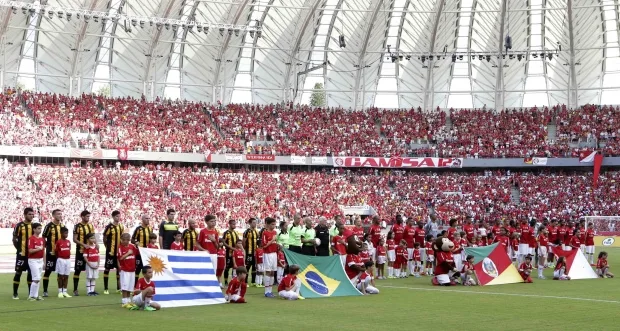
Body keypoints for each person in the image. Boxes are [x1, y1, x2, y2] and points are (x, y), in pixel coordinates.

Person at [13, 207, 35, 300]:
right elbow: (14, 239)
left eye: (32, 214)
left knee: (30, 274)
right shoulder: (19, 225)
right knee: (18, 273)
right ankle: (15, 293)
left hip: (31, 255)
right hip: (21, 254)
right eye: (30, 214)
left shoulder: (34, 225)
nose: (31, 216)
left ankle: (30, 294)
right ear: (25, 215)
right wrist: (19, 249)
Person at [42, 209, 63, 297]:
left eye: (61, 214)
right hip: (51, 253)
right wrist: (47, 246)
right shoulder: (49, 226)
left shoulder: (62, 226)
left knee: (60, 272)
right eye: (58, 214)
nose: (60, 215)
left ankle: (60, 291)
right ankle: (45, 291)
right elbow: (43, 237)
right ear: (53, 216)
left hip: (60, 253)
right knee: (48, 271)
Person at [73, 210, 95, 296]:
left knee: (91, 270)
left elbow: (93, 237)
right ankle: (75, 289)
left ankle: (91, 289)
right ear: (82, 216)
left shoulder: (90, 225)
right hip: (81, 251)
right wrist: (84, 245)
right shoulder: (77, 226)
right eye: (87, 216)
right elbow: (74, 239)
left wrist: (96, 245)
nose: (88, 218)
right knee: (77, 270)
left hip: (90, 252)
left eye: (89, 216)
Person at [103, 210, 124, 295]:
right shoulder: (109, 227)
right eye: (116, 216)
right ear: (113, 217)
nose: (118, 218)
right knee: (107, 269)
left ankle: (118, 288)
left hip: (118, 252)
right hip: (111, 252)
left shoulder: (121, 227)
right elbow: (105, 238)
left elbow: (122, 238)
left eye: (119, 216)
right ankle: (106, 288)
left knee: (118, 269)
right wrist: (107, 248)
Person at [131, 214, 152, 285]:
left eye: (149, 218)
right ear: (142, 220)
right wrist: (136, 242)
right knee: (137, 270)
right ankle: (135, 286)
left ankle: (146, 285)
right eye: (146, 218)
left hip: (147, 253)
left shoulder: (150, 228)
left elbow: (152, 239)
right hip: (139, 253)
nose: (148, 220)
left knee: (147, 270)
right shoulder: (138, 229)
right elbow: (132, 239)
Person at [118, 233, 137, 308]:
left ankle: (129, 301)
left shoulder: (132, 246)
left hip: (132, 269)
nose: (126, 241)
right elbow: (120, 258)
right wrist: (128, 253)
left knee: (130, 286)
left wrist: (137, 246)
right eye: (124, 240)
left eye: (127, 240)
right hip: (125, 270)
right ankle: (124, 302)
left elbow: (136, 253)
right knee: (125, 287)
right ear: (121, 240)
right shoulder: (120, 248)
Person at [261, 217, 278, 298]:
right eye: (272, 224)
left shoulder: (275, 232)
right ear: (267, 224)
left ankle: (270, 291)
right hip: (268, 254)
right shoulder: (265, 233)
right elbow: (264, 246)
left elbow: (275, 242)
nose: (274, 226)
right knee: (268, 271)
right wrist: (272, 240)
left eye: (274, 224)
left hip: (274, 254)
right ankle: (266, 291)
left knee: (272, 272)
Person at [27, 223, 45, 301]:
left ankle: (36, 295)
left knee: (38, 278)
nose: (40, 230)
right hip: (33, 260)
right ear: (34, 229)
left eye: (40, 228)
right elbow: (30, 251)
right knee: (36, 278)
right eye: (38, 228)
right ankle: (31, 296)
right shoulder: (31, 239)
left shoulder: (42, 239)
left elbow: (43, 251)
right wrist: (39, 249)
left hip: (40, 260)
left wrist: (44, 261)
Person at [55, 227, 72, 298]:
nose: (66, 234)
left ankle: (65, 291)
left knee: (66, 276)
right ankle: (60, 292)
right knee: (61, 276)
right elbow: (56, 251)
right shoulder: (58, 242)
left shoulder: (68, 241)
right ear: (61, 233)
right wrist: (59, 257)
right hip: (61, 259)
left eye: (67, 233)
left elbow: (69, 249)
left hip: (67, 260)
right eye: (65, 233)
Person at [222, 219, 239, 284]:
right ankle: (226, 282)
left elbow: (238, 241)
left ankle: (233, 281)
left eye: (235, 224)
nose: (234, 225)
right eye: (233, 224)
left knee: (234, 267)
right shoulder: (226, 233)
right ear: (229, 224)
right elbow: (223, 242)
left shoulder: (235, 232)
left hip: (235, 253)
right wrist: (231, 247)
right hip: (228, 253)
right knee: (227, 267)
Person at [242, 218, 259, 286]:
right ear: (250, 223)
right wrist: (245, 250)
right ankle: (245, 282)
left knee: (254, 267)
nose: (255, 224)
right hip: (249, 252)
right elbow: (244, 242)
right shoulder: (247, 232)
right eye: (253, 222)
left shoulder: (256, 231)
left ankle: (253, 281)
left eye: (255, 222)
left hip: (255, 252)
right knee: (247, 267)